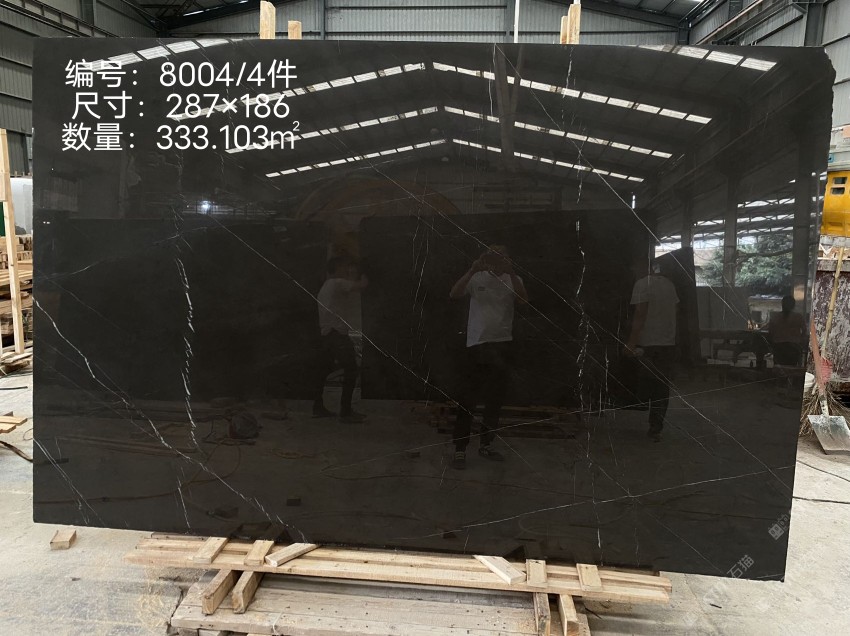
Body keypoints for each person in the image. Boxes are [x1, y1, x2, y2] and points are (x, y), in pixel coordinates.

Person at [449, 245, 528, 469]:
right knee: (467, 399)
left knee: (495, 399)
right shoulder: (477, 277)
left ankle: (486, 444)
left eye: (502, 255)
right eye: (493, 255)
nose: (497, 259)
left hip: (502, 344)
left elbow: (523, 300)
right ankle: (460, 449)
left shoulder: (514, 279)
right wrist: (472, 269)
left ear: (508, 258)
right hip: (476, 345)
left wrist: (511, 272)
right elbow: (454, 294)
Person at [624, 258, 679, 442]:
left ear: (641, 267)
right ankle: (656, 427)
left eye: (634, 268)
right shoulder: (669, 285)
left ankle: (640, 409)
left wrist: (631, 343)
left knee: (646, 383)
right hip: (668, 344)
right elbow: (674, 312)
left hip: (648, 343)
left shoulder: (642, 285)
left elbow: (640, 314)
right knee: (661, 387)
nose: (632, 272)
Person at [313, 257, 367, 421]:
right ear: (337, 268)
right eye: (344, 267)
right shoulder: (337, 282)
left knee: (323, 371)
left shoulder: (325, 287)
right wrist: (364, 273)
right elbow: (362, 285)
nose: (346, 270)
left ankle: (318, 407)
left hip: (327, 335)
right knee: (351, 369)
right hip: (337, 335)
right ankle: (346, 412)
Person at [768, 295, 805, 366]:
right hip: (794, 348)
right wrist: (800, 342)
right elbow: (804, 332)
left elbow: (771, 332)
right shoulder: (798, 317)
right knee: (791, 368)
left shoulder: (775, 317)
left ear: (782, 304)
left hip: (779, 348)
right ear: (793, 306)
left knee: (779, 368)